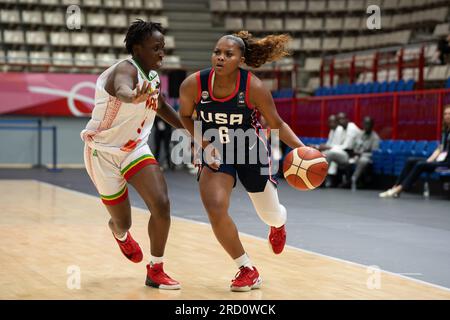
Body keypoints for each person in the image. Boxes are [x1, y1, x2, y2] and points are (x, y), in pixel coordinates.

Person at [178, 31, 305, 292]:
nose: (220, 58)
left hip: (250, 150)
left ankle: (278, 224)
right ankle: (247, 268)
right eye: (217, 52)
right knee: (215, 206)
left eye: (228, 54)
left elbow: (277, 123)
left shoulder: (254, 87)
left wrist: (303, 149)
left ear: (241, 59)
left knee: (269, 214)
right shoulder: (194, 84)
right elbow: (185, 116)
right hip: (214, 150)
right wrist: (203, 143)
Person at [80, 20, 183, 289]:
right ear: (138, 49)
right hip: (103, 152)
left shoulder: (153, 76)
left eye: (163, 48)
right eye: (156, 48)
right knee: (122, 221)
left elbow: (160, 106)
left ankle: (156, 269)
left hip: (135, 148)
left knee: (161, 203)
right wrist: (133, 97)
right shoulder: (124, 70)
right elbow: (124, 90)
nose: (162, 53)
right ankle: (120, 233)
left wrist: (195, 131)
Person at [379, 104, 450, 198]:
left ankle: (399, 189)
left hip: (447, 163)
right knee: (411, 160)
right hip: (440, 161)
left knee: (420, 165)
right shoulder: (445, 131)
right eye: (445, 114)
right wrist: (429, 160)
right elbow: (440, 149)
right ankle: (395, 187)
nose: (447, 116)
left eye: (449, 114)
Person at [323, 112, 361, 187]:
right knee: (327, 152)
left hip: (353, 156)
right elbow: (339, 145)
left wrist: (329, 147)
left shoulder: (351, 128)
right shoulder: (343, 129)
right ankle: (325, 178)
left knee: (330, 153)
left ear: (347, 119)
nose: (341, 121)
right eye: (339, 119)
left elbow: (347, 146)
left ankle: (323, 179)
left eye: (342, 119)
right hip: (346, 153)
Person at [344, 116, 380, 190]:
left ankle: (354, 179)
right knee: (346, 158)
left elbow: (374, 152)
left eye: (368, 124)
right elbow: (353, 146)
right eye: (365, 124)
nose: (366, 126)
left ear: (372, 125)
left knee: (363, 160)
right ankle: (346, 181)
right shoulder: (359, 134)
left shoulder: (375, 137)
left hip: (367, 157)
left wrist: (361, 154)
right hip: (355, 155)